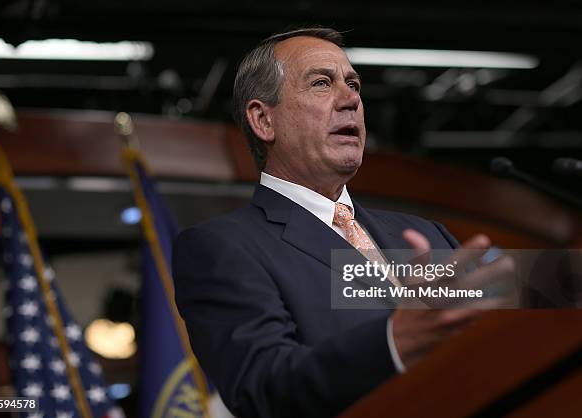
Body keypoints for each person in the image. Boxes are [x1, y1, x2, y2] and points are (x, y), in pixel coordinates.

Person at [173, 27, 512, 418]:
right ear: (263, 120)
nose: (350, 98)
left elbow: (519, 325)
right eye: (321, 83)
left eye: (353, 84)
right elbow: (265, 389)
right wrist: (394, 341)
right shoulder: (222, 248)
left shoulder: (423, 233)